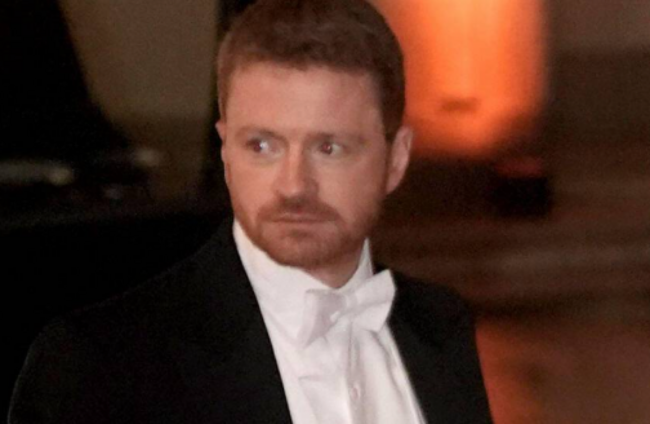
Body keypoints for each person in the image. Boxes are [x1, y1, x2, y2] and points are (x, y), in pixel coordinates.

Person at [9, 0, 493, 423]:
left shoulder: (439, 326)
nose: (294, 185)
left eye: (329, 147)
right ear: (225, 151)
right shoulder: (98, 365)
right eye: (262, 146)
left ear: (397, 159)